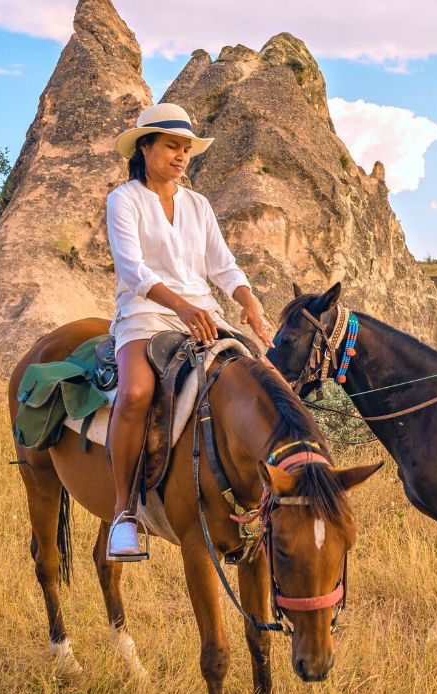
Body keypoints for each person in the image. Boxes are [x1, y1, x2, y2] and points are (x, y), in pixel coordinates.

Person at [105, 103, 273, 561]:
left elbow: (222, 264)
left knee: (265, 384)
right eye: (172, 146)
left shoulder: (198, 205)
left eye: (186, 149)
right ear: (145, 148)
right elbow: (132, 270)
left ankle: (269, 499)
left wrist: (248, 300)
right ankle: (124, 513)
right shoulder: (124, 200)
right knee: (136, 392)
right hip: (145, 313)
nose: (182, 156)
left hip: (203, 314)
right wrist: (180, 305)